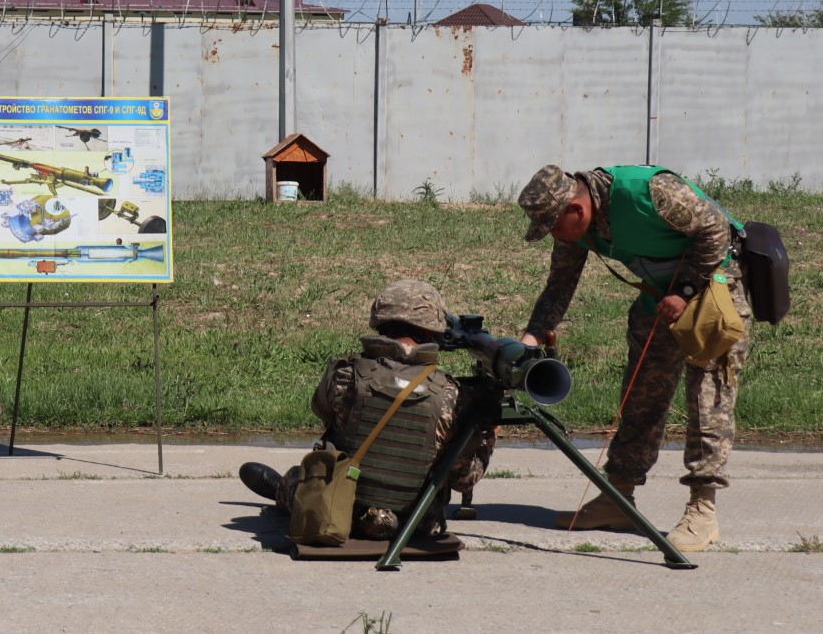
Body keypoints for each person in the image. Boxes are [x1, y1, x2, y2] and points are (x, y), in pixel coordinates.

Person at [517, 164, 749, 552]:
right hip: (660, 299)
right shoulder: (575, 227)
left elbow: (716, 231)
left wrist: (687, 289)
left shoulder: (652, 193)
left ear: (576, 210)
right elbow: (559, 285)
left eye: (553, 227)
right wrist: (530, 338)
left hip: (714, 289)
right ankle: (617, 498)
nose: (554, 236)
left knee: (708, 398)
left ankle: (703, 511)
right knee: (641, 395)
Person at [239, 280, 495, 542]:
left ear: (380, 324)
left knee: (299, 477)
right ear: (433, 331)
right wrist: (489, 432)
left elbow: (324, 416)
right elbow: (464, 479)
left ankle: (283, 491)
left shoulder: (345, 376)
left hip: (339, 510)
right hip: (417, 521)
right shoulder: (453, 395)